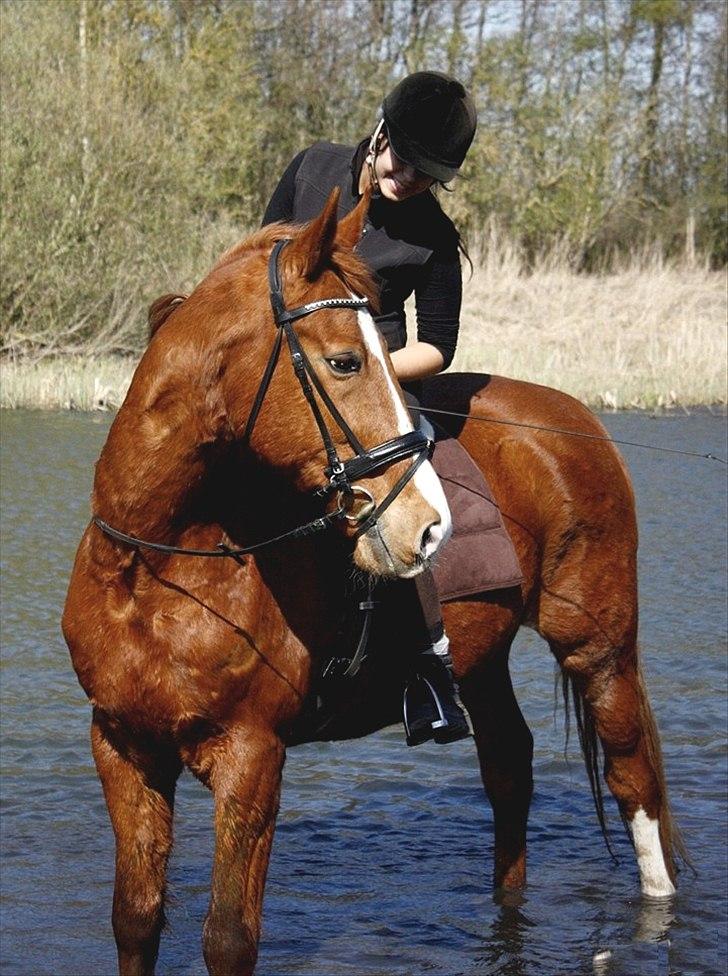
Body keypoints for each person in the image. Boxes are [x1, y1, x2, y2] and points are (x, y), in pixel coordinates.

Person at [262, 71, 477, 746]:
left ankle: (427, 668)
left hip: (373, 382)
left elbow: (437, 348)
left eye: (425, 174)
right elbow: (258, 263)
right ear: (380, 130)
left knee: (406, 497)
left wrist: (360, 368)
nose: (406, 177)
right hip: (279, 363)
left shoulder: (434, 238)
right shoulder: (312, 168)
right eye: (401, 159)